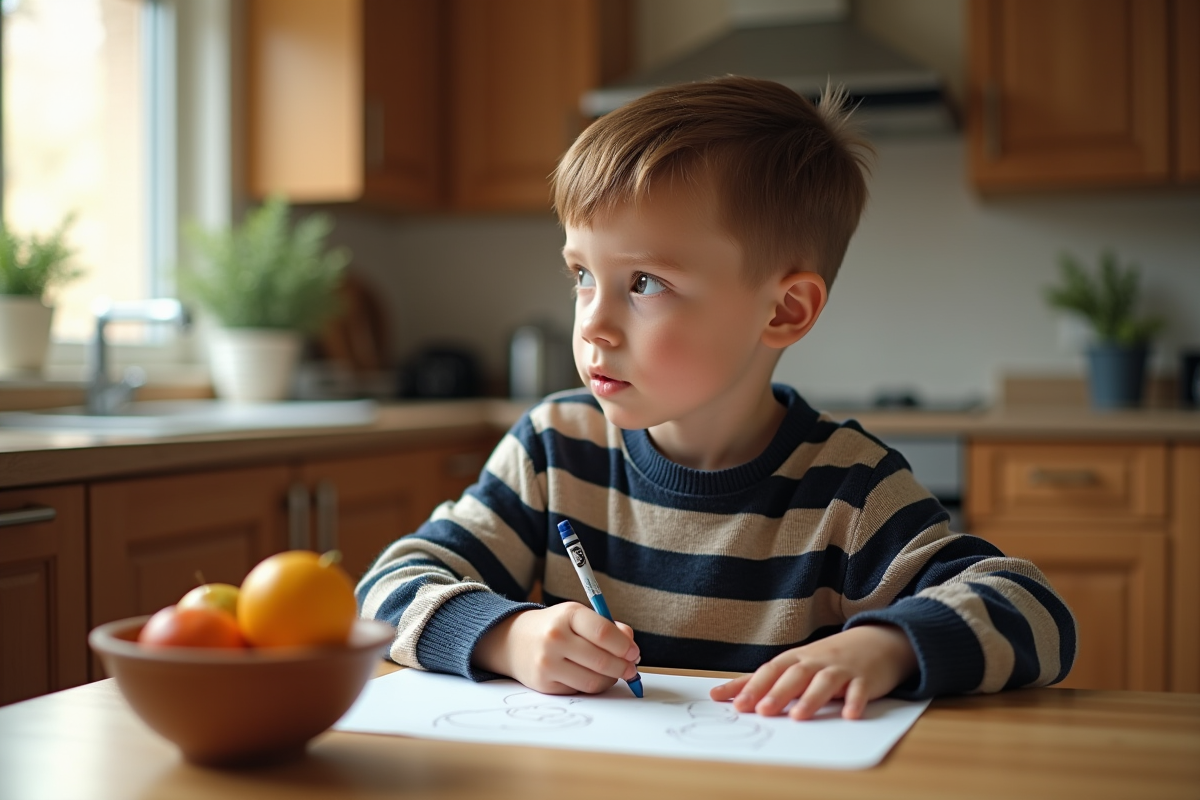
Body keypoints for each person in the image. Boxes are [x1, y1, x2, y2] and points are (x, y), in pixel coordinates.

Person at [357, 76, 1076, 721]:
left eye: (644, 283)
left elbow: (1035, 612)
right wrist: (505, 636)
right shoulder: (552, 448)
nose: (592, 324)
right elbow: (386, 587)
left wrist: (885, 649)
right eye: (582, 275)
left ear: (785, 311)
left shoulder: (848, 490)